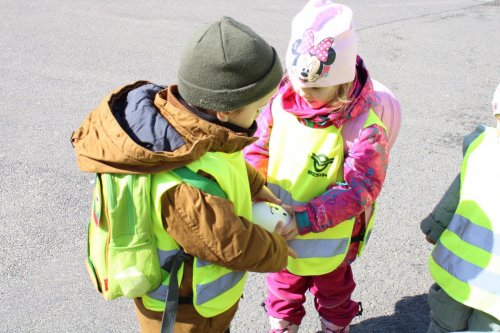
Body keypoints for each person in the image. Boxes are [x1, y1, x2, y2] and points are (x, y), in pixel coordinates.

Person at [71, 16, 294, 333]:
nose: (259, 117)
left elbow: (221, 160)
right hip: (182, 312)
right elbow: (231, 243)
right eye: (257, 109)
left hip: (197, 300)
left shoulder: (193, 128)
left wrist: (255, 184)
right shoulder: (183, 188)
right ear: (225, 109)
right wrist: (278, 250)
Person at [243, 1, 401, 332]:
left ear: (343, 83)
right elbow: (258, 146)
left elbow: (362, 187)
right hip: (280, 231)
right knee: (281, 292)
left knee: (334, 294)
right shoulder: (282, 102)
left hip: (330, 238)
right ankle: (283, 324)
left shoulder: (363, 126)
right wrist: (254, 187)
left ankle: (334, 325)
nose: (304, 92)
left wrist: (308, 217)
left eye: (316, 87)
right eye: (300, 83)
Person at [421, 83, 500, 333]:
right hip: (460, 273)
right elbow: (460, 188)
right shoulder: (481, 145)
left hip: (479, 284)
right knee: (446, 320)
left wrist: (437, 225)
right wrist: (437, 225)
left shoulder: (482, 144)